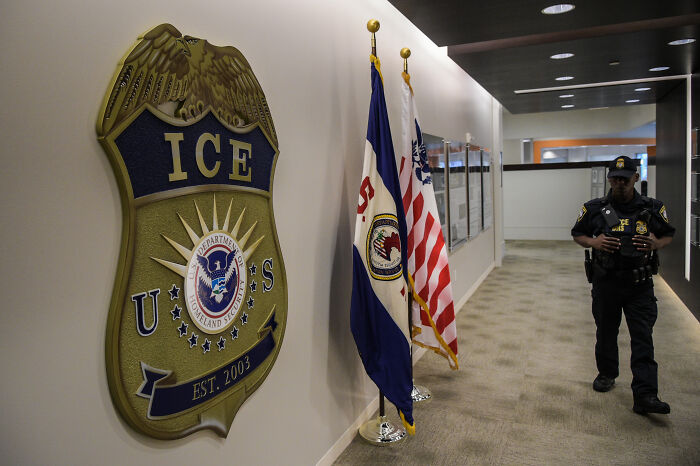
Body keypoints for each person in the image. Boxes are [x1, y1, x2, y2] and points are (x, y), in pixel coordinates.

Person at [571, 156, 675, 415]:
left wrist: (655, 244)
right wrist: (594, 243)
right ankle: (607, 373)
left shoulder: (652, 208)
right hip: (606, 282)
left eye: (624, 179)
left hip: (639, 285)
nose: (619, 184)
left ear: (635, 178)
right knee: (606, 332)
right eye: (615, 179)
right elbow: (578, 234)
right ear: (609, 179)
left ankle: (645, 394)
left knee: (643, 337)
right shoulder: (594, 208)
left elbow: (668, 234)